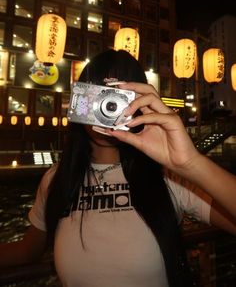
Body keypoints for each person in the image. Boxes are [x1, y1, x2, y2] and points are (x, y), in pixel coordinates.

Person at [0, 49, 236, 287]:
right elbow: (29, 249)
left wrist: (190, 164)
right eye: (100, 95)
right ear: (81, 100)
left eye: (119, 97)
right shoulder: (56, 179)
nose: (108, 108)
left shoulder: (169, 177)